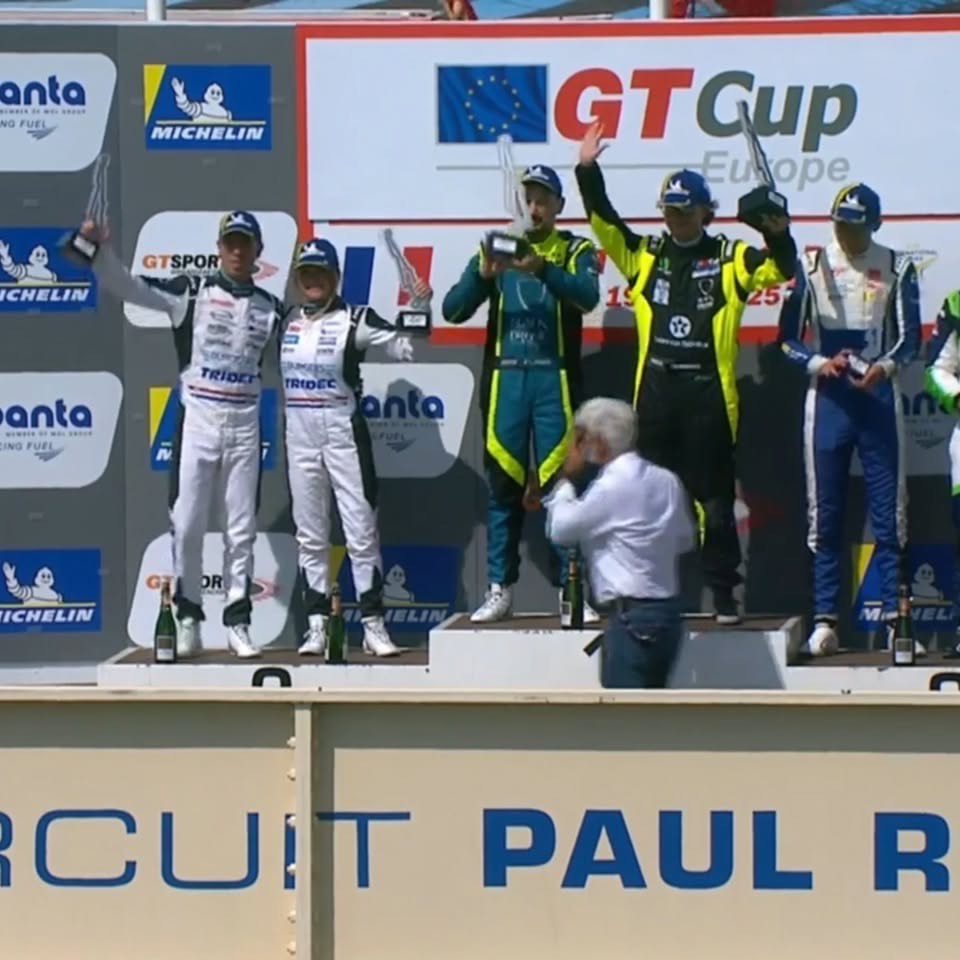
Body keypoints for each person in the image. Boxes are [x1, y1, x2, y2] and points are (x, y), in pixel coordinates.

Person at [574, 120, 796, 625]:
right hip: (656, 397)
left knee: (716, 504)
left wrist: (778, 232)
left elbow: (781, 269)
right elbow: (604, 221)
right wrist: (586, 170)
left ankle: (723, 595)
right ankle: (642, 594)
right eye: (670, 211)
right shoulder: (644, 256)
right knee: (645, 500)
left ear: (705, 212)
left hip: (709, 399)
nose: (677, 219)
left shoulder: (730, 258)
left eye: (686, 210)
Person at [78, 211, 283, 659]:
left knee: (241, 530)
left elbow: (300, 357)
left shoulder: (271, 308)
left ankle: (238, 621)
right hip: (198, 421)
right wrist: (96, 251)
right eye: (230, 242)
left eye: (245, 243)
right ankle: (188, 616)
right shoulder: (191, 293)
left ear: (258, 252)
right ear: (219, 248)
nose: (237, 250)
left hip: (245, 426)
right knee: (187, 523)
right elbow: (130, 287)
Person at [442, 163, 602, 623]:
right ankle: (500, 588)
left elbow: (587, 296)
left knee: (562, 487)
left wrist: (542, 268)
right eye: (529, 199)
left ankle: (572, 589)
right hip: (507, 380)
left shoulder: (573, 249)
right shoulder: (496, 246)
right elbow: (453, 309)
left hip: (554, 380)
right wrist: (483, 276)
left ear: (558, 206)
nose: (535, 208)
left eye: (543, 200)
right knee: (503, 488)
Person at [778, 183, 921, 656]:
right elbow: (787, 339)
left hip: (876, 398)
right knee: (825, 514)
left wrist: (884, 368)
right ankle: (825, 620)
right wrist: (819, 363)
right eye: (840, 224)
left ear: (874, 224)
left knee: (890, 514)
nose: (847, 234)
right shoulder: (812, 265)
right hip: (828, 401)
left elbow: (911, 339)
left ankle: (897, 620)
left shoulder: (897, 266)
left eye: (856, 226)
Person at [282, 239, 429, 658]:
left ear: (336, 277)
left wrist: (420, 306)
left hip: (343, 432)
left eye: (320, 272)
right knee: (310, 535)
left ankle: (372, 624)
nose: (313, 280)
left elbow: (404, 346)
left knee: (361, 532)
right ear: (297, 279)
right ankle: (316, 625)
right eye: (306, 273)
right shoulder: (286, 319)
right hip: (299, 435)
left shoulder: (355, 318)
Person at [544, 397, 695, 688]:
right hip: (668, 614)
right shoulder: (666, 480)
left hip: (632, 617)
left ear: (600, 442)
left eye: (582, 438)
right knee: (652, 707)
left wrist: (565, 480)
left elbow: (560, 530)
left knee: (625, 711)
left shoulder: (611, 486)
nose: (578, 447)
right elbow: (685, 539)